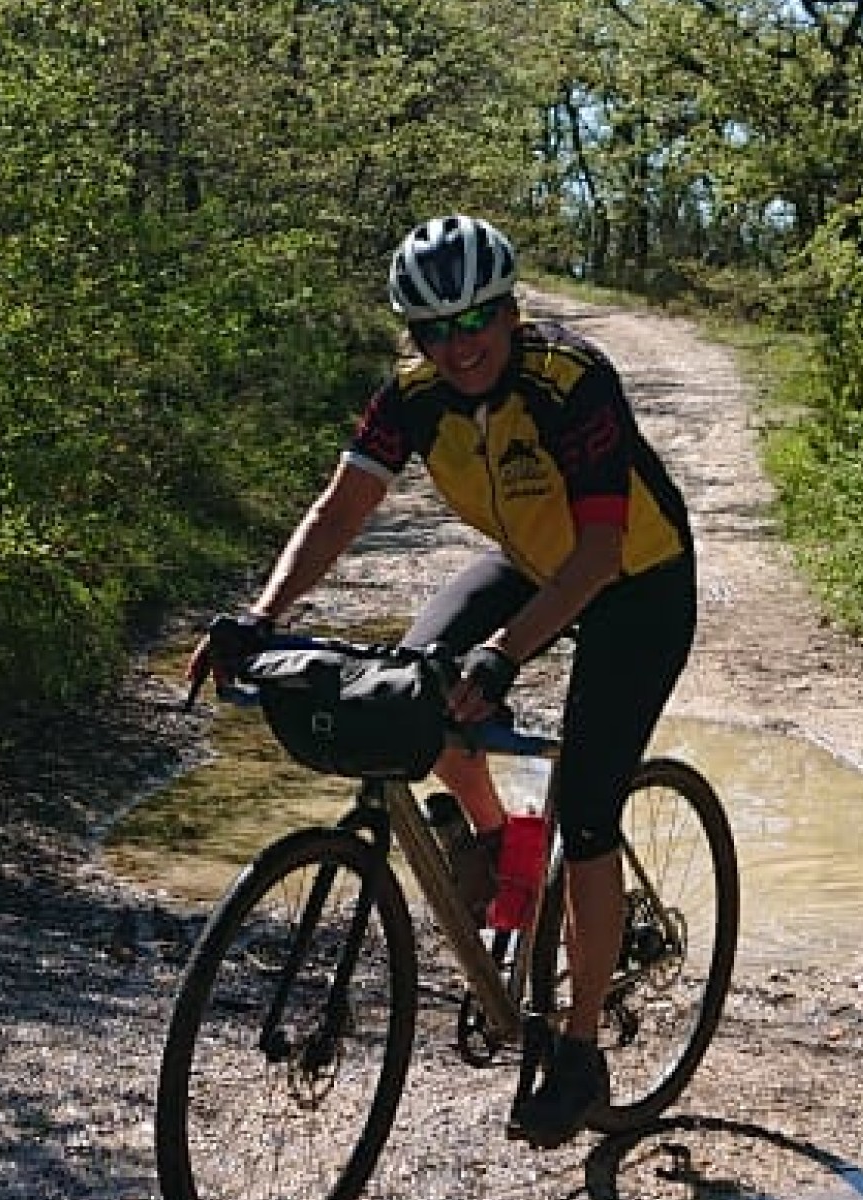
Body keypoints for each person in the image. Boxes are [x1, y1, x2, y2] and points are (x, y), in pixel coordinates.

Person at [187, 214, 698, 1148]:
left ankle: (579, 1049)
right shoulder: (413, 395)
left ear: (510, 310)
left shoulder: (570, 382)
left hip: (635, 584)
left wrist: (502, 658)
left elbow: (597, 552)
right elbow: (342, 507)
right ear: (413, 336)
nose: (458, 347)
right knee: (420, 694)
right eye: (433, 330)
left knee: (587, 811)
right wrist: (261, 619)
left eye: (475, 323)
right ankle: (503, 851)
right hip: (530, 563)